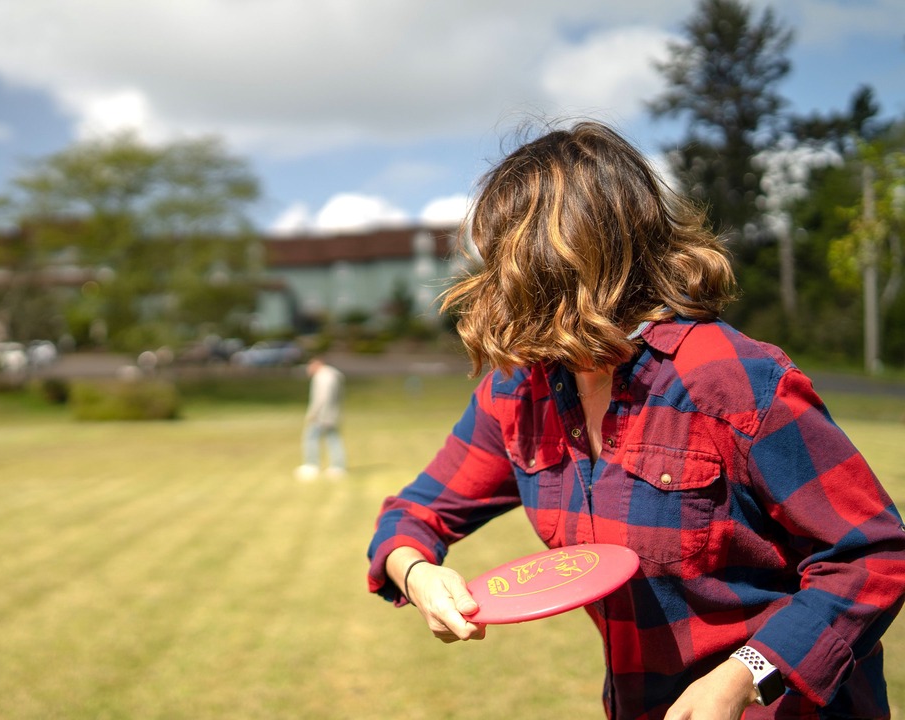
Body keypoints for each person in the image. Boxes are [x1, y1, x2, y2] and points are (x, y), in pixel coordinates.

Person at [365, 121, 905, 719]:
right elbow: (410, 515)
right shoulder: (519, 392)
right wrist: (417, 575)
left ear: (561, 260)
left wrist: (746, 674)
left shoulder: (728, 378)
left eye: (506, 257)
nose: (492, 282)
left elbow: (873, 554)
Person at [296, 356, 346, 480]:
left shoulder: (323, 376)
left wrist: (314, 413)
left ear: (316, 364)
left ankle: (312, 465)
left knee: (311, 438)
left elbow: (322, 397)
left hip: (322, 416)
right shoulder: (333, 375)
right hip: (332, 414)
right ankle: (337, 466)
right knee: (333, 439)